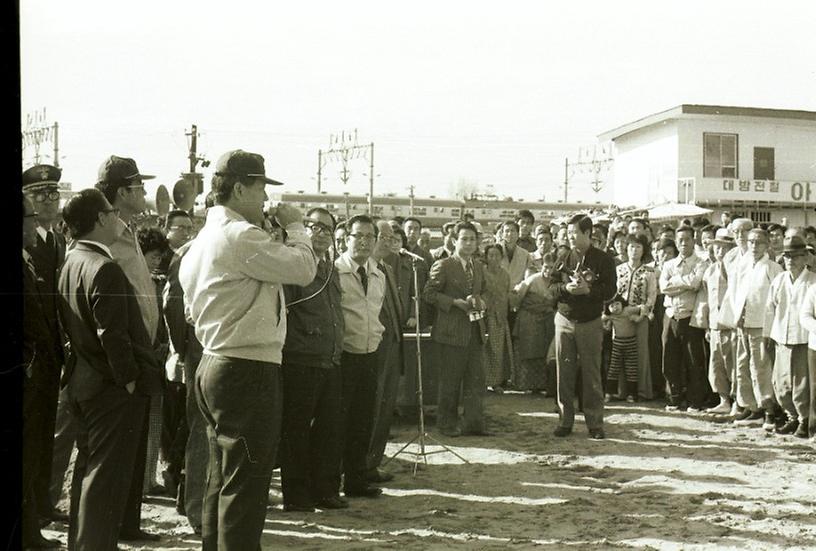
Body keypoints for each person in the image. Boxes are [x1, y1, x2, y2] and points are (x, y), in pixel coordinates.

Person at [179, 149, 317, 550]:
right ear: (238, 188)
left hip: (215, 362)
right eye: (260, 189)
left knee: (220, 479)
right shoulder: (238, 235)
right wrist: (297, 228)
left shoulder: (205, 238)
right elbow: (304, 269)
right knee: (246, 486)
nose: (265, 199)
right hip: (246, 367)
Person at [58, 189, 159, 551]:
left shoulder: (72, 261)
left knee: (89, 475)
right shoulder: (105, 268)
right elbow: (113, 335)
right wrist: (129, 380)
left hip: (83, 384)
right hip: (110, 391)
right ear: (101, 219)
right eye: (113, 213)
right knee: (105, 481)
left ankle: (81, 545)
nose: (118, 219)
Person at [95, 155, 164, 541]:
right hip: (123, 358)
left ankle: (127, 524)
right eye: (138, 187)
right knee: (118, 451)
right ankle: (115, 528)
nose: (144, 193)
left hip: (142, 351)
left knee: (134, 447)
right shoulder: (109, 238)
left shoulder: (127, 231)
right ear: (122, 192)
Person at [278, 208, 347, 512]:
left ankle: (325, 490)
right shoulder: (295, 266)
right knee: (296, 430)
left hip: (329, 359)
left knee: (329, 429)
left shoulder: (331, 269)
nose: (320, 233)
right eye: (313, 227)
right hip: (300, 358)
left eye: (327, 229)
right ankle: (297, 495)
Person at [22, 164, 67, 526]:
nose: (50, 201)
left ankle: (42, 503)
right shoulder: (29, 240)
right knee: (32, 436)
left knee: (45, 432)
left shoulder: (56, 239)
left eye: (54, 193)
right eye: (41, 195)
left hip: (52, 351)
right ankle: (31, 512)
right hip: (35, 354)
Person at [334, 214, 386, 498]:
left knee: (363, 420)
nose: (364, 241)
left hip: (369, 354)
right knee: (338, 421)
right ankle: (332, 481)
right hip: (344, 355)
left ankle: (356, 480)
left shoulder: (378, 273)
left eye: (369, 236)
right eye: (358, 236)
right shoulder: (336, 270)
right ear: (346, 238)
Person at [551, 214, 617, 439]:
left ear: (588, 234)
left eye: (574, 233)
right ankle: (565, 421)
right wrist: (565, 289)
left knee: (591, 373)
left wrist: (589, 291)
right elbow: (551, 287)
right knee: (564, 372)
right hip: (564, 320)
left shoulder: (604, 259)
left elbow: (610, 291)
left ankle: (595, 423)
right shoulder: (561, 257)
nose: (570, 238)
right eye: (568, 233)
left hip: (590, 322)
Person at [423, 221, 490, 437]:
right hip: (451, 332)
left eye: (473, 239)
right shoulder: (443, 265)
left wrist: (481, 301)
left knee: (475, 380)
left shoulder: (478, 266)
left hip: (474, 331)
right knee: (450, 382)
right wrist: (454, 302)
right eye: (464, 239)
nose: (469, 243)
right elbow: (429, 294)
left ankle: (473, 424)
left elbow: (486, 292)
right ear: (454, 241)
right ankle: (446, 424)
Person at [726, 228, 783, 429]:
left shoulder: (772, 268)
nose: (754, 246)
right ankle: (750, 407)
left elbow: (777, 299)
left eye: (759, 242)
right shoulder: (743, 265)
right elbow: (735, 292)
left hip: (761, 324)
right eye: (750, 242)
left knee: (761, 368)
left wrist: (772, 328)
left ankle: (768, 409)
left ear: (767, 245)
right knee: (742, 366)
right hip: (742, 322)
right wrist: (736, 316)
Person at [366, 220, 405, 484]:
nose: (388, 242)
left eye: (392, 238)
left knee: (384, 408)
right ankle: (360, 464)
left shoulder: (387, 269)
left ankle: (372, 463)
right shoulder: (362, 269)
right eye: (383, 237)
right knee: (369, 408)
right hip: (371, 348)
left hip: (392, 347)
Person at [766, 236, 815, 437]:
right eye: (786, 256)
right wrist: (768, 336)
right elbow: (771, 308)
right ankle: (792, 417)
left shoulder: (812, 281)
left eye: (795, 256)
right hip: (781, 337)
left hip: (803, 338)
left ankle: (804, 421)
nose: (790, 260)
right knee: (781, 383)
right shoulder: (779, 280)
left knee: (801, 385)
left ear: (805, 257)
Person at [659, 226, 709, 412]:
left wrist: (676, 282)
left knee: (694, 360)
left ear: (693, 240)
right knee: (669, 359)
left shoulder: (701, 263)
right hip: (671, 315)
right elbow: (663, 287)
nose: (683, 243)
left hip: (690, 317)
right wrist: (685, 283)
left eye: (687, 239)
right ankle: (674, 398)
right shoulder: (668, 264)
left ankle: (695, 400)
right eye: (680, 240)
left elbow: (696, 283)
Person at [614, 234, 657, 400]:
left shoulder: (649, 271)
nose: (634, 250)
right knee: (620, 352)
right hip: (620, 316)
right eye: (631, 246)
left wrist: (642, 314)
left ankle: (641, 391)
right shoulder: (619, 269)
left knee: (640, 352)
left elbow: (651, 296)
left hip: (640, 316)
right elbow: (613, 294)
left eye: (638, 246)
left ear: (643, 249)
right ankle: (621, 391)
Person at [700, 229, 738, 415]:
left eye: (724, 247)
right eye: (717, 247)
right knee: (716, 364)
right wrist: (707, 324)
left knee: (734, 364)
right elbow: (707, 299)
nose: (720, 251)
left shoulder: (736, 269)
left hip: (731, 324)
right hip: (714, 324)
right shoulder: (710, 270)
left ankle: (738, 400)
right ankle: (724, 399)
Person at [513, 252, 558, 394]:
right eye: (545, 267)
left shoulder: (557, 282)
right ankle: (526, 385)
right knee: (529, 350)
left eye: (551, 267)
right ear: (541, 266)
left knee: (544, 351)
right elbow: (518, 297)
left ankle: (542, 385)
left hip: (547, 318)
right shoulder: (532, 279)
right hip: (529, 318)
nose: (548, 271)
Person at [482, 244, 513, 391]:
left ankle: (496, 382)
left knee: (498, 350)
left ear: (502, 257)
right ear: (486, 257)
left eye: (497, 255)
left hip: (500, 317)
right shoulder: (481, 273)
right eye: (490, 255)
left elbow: (507, 295)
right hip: (484, 316)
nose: (494, 258)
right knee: (484, 350)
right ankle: (483, 381)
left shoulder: (505, 275)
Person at [602, 294, 642, 402]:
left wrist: (640, 317)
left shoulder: (628, 311)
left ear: (622, 304)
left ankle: (632, 394)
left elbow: (641, 308)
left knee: (631, 369)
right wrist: (606, 325)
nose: (615, 307)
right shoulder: (611, 316)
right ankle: (609, 393)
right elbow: (602, 318)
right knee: (613, 368)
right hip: (617, 344)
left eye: (617, 304)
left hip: (631, 343)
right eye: (612, 306)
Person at [798, 279, 816, 442]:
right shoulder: (813, 289)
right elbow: (804, 316)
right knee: (815, 390)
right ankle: (814, 430)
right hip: (815, 347)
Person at [498, 220, 532, 289]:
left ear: (518, 234)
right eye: (507, 231)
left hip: (517, 293)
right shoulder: (495, 251)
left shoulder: (525, 254)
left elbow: (527, 278)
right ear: (502, 234)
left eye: (512, 231)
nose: (510, 234)